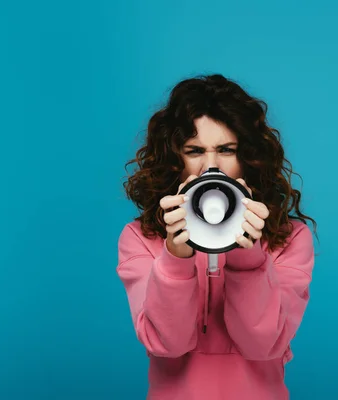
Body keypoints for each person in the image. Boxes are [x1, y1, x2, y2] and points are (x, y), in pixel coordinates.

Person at [117, 74, 317, 400]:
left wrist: (248, 255)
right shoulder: (140, 238)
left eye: (226, 150)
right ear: (174, 158)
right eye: (194, 150)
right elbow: (167, 345)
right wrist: (174, 256)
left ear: (248, 157)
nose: (212, 167)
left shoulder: (289, 239)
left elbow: (262, 344)